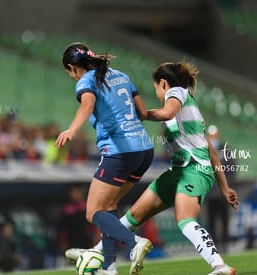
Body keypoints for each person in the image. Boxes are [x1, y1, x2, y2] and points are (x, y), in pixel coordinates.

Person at [66, 61, 239, 275]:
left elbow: (166, 113)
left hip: (195, 170)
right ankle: (96, 252)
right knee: (134, 215)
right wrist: (224, 187)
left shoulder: (177, 93)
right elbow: (210, 149)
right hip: (178, 172)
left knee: (184, 218)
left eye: (156, 87)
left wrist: (140, 113)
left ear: (163, 83)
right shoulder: (187, 109)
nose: (156, 92)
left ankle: (220, 266)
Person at [55, 42, 154, 275]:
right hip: (144, 151)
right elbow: (142, 113)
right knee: (108, 206)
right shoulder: (121, 75)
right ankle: (109, 268)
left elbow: (88, 105)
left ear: (72, 67)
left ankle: (134, 243)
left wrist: (71, 130)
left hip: (120, 152)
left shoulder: (86, 81)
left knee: (93, 212)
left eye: (69, 72)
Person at [206, 125, 237, 247]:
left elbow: (232, 169)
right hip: (210, 193)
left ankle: (225, 243)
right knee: (211, 221)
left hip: (222, 193)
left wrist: (226, 186)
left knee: (224, 219)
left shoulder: (225, 149)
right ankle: (213, 246)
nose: (213, 138)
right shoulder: (203, 150)